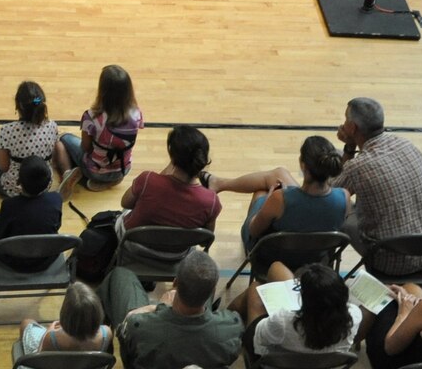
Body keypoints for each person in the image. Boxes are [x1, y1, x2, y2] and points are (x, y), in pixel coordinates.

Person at [110, 249, 242, 369]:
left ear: (175, 283)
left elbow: (126, 332)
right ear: (213, 291)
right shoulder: (232, 326)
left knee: (121, 275)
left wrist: (159, 308)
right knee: (199, 282)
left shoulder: (140, 326)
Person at [336, 97, 422, 274]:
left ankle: (320, 261)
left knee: (341, 210)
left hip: (391, 262)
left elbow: (332, 195)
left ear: (353, 128)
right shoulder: (406, 144)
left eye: (345, 120)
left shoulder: (357, 167)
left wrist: (348, 149)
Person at [234, 261, 356, 369]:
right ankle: (227, 316)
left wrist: (273, 315)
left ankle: (226, 317)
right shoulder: (354, 315)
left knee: (255, 288)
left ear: (306, 300)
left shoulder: (284, 320)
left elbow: (258, 337)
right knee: (277, 268)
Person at [116, 126, 222, 273]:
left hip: (134, 247)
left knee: (127, 208)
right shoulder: (211, 202)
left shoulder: (147, 180)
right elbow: (205, 240)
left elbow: (125, 203)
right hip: (175, 256)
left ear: (172, 156)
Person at [230, 135, 346, 255]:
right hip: (317, 259)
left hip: (276, 260)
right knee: (277, 178)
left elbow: (253, 231)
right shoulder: (344, 197)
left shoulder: (279, 199)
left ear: (303, 165)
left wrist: (268, 200)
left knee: (260, 194)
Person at [0, 80, 70, 198]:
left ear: (18, 106)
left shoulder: (7, 130)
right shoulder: (51, 126)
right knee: (59, 142)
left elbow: (3, 167)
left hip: (13, 188)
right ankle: (67, 173)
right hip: (43, 185)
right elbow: (52, 154)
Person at [10, 281, 111, 369]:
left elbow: (40, 357)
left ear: (65, 314)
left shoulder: (52, 338)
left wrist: (50, 329)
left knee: (26, 323)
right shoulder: (107, 333)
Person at [62, 65, 142, 190]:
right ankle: (107, 182)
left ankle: (80, 178)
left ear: (103, 91)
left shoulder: (91, 117)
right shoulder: (137, 114)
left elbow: (86, 147)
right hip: (123, 169)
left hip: (96, 171)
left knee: (64, 138)